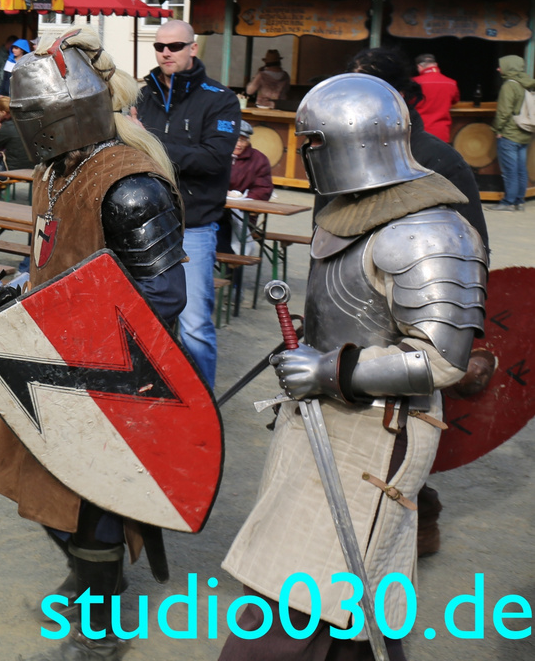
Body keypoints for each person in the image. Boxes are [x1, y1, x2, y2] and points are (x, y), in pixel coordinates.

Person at [220, 74, 486, 660]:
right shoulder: (348, 209)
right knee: (329, 597)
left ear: (350, 140)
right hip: (318, 422)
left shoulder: (429, 230)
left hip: (379, 428)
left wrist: (328, 372)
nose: (306, 154)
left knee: (303, 595)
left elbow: (442, 357)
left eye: (312, 142)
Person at [0, 28, 187, 660]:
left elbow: (164, 301)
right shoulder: (61, 169)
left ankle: (100, 628)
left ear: (64, 115)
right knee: (32, 478)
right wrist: (14, 291)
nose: (23, 127)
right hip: (53, 357)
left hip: (116, 369)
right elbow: (55, 258)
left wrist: (57, 313)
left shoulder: (130, 184)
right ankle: (90, 582)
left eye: (32, 115)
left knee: (94, 503)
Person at [132, 18, 240, 388]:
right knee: (139, 317)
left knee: (194, 326)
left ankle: (202, 407)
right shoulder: (139, 94)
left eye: (175, 46)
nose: (165, 52)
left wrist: (148, 141)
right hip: (142, 224)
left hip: (192, 226)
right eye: (160, 46)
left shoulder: (220, 98)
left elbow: (213, 160)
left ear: (193, 48)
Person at [343, 47, 488, 245]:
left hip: (425, 145)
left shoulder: (446, 161)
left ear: (399, 94)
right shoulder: (450, 83)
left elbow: (470, 239)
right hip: (441, 131)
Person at [221, 120, 273, 257]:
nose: (239, 144)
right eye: (236, 139)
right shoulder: (218, 154)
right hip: (215, 211)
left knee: (229, 226)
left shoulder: (259, 160)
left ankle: (232, 270)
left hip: (243, 214)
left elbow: (263, 189)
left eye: (243, 140)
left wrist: (243, 199)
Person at [491, 54, 534, 211]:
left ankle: (508, 202)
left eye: (501, 65)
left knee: (510, 171)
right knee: (521, 169)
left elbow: (504, 112)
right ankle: (519, 201)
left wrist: (497, 129)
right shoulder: (526, 83)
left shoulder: (510, 85)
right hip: (525, 132)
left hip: (509, 134)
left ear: (509, 67)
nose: (498, 68)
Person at [413, 53, 460, 143]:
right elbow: (455, 101)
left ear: (419, 67)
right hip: (441, 133)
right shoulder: (451, 83)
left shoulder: (414, 83)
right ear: (436, 65)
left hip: (419, 131)